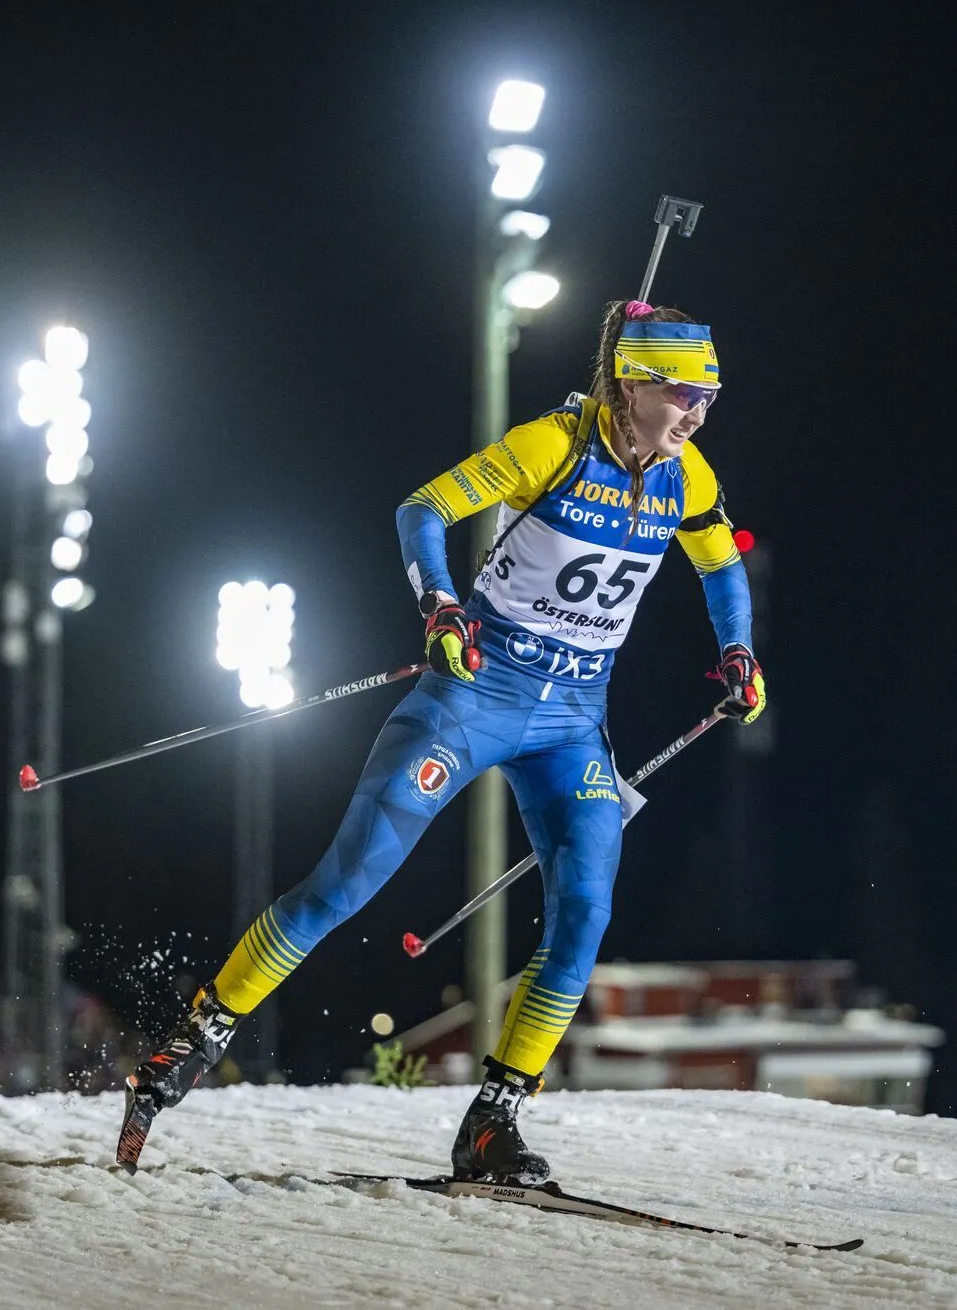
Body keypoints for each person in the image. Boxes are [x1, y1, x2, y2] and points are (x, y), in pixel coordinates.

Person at [121, 299, 766, 1182]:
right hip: (474, 695)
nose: (697, 414)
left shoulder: (686, 474)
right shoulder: (551, 447)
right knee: (347, 882)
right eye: (685, 394)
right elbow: (421, 509)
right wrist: (440, 603)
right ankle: (192, 1040)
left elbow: (721, 562)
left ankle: (493, 1123)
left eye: (710, 398)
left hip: (573, 721)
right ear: (631, 381)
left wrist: (738, 651)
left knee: (585, 909)